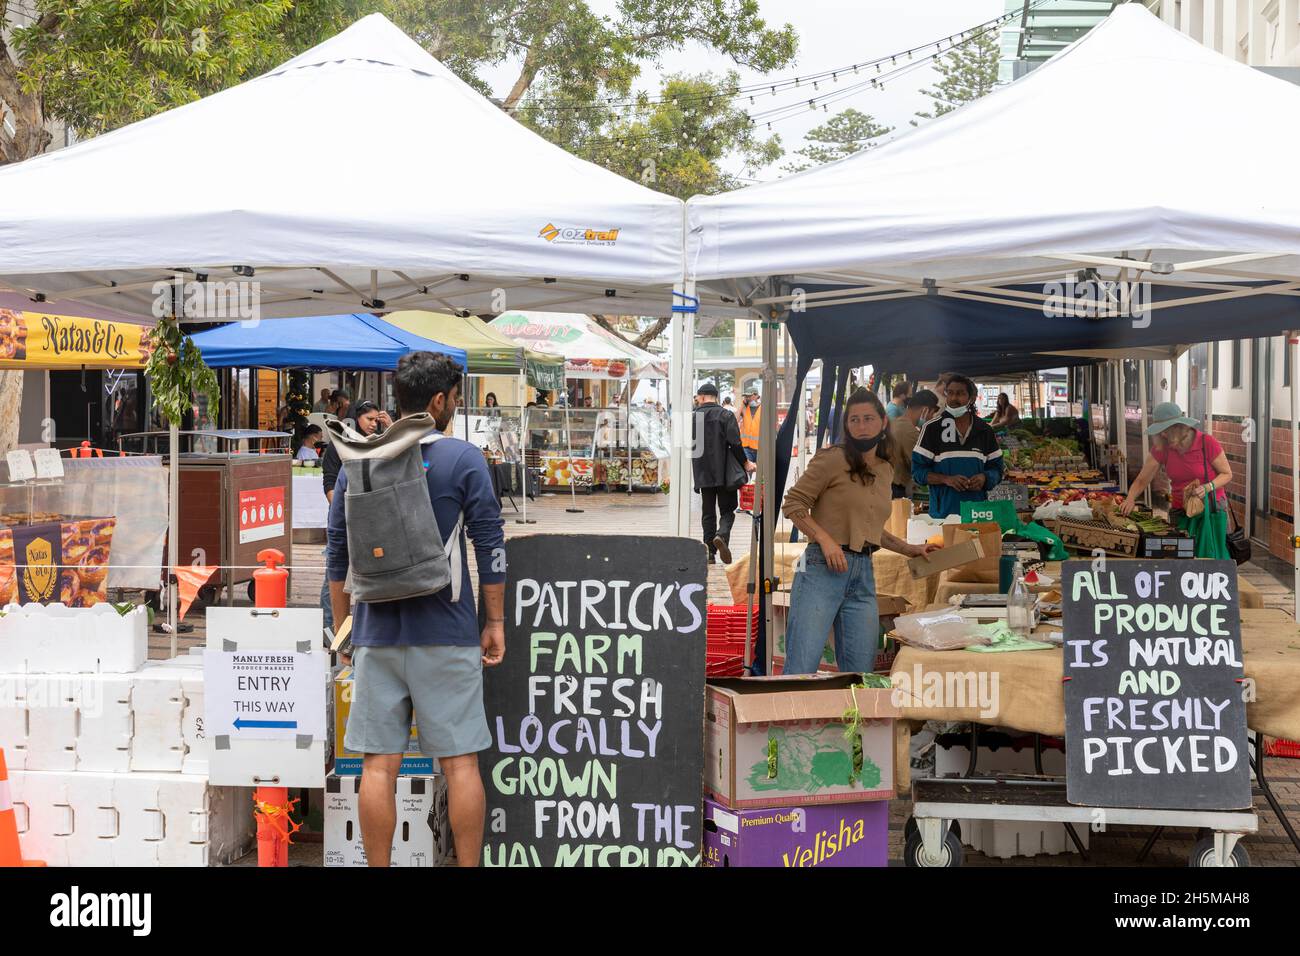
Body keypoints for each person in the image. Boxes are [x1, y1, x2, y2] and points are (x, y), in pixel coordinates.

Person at [327, 351, 505, 868]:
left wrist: (345, 632)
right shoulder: (462, 459)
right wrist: (494, 622)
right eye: (453, 395)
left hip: (375, 634)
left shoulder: (356, 460)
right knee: (460, 765)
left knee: (378, 767)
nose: (455, 403)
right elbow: (490, 544)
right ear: (436, 401)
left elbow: (337, 553)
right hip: (446, 633)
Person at [781, 389, 939, 675]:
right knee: (801, 668)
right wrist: (826, 541)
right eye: (854, 420)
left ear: (882, 422)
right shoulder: (831, 459)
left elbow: (872, 529)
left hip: (862, 572)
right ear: (846, 426)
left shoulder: (885, 469)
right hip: (821, 568)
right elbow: (793, 504)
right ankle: (795, 721)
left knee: (860, 674)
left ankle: (851, 722)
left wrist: (911, 549)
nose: (861, 425)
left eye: (868, 418)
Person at [1120, 402, 1232, 555]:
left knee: (1212, 555)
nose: (1163, 435)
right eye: (1160, 432)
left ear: (1179, 427)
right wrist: (1130, 498)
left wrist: (1208, 487)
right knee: (1182, 556)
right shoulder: (1163, 447)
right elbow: (1142, 479)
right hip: (1180, 509)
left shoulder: (1207, 443)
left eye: (1165, 430)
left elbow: (1227, 474)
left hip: (1211, 508)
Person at [320, 401, 391, 631]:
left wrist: (389, 428)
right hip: (344, 520)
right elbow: (330, 483)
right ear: (356, 418)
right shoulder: (339, 446)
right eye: (369, 419)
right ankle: (331, 627)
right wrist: (343, 510)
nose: (373, 424)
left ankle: (361, 627)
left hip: (372, 523)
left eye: (375, 420)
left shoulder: (379, 444)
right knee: (335, 570)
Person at [912, 374, 1004, 518]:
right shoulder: (931, 429)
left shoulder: (984, 430)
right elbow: (917, 472)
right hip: (942, 515)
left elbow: (998, 470)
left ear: (971, 398)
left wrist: (985, 477)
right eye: (950, 393)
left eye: (960, 393)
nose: (954, 398)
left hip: (977, 514)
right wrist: (946, 479)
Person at [692, 383, 755, 564]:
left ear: (702, 397)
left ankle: (709, 552)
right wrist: (746, 462)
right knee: (728, 510)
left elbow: (690, 447)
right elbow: (735, 443)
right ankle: (722, 535)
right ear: (715, 397)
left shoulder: (693, 417)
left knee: (708, 512)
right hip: (725, 472)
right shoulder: (726, 415)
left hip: (702, 472)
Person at [890, 389, 939, 499]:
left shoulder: (896, 423)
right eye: (932, 414)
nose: (932, 418)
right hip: (897, 490)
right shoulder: (910, 432)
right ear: (925, 410)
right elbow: (922, 466)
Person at [739, 387, 761, 464]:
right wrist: (742, 404)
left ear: (756, 396)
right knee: (746, 473)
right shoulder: (745, 409)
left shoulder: (763, 408)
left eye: (749, 396)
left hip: (760, 448)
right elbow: (735, 420)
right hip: (746, 448)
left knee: (761, 474)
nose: (747, 398)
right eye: (746, 396)